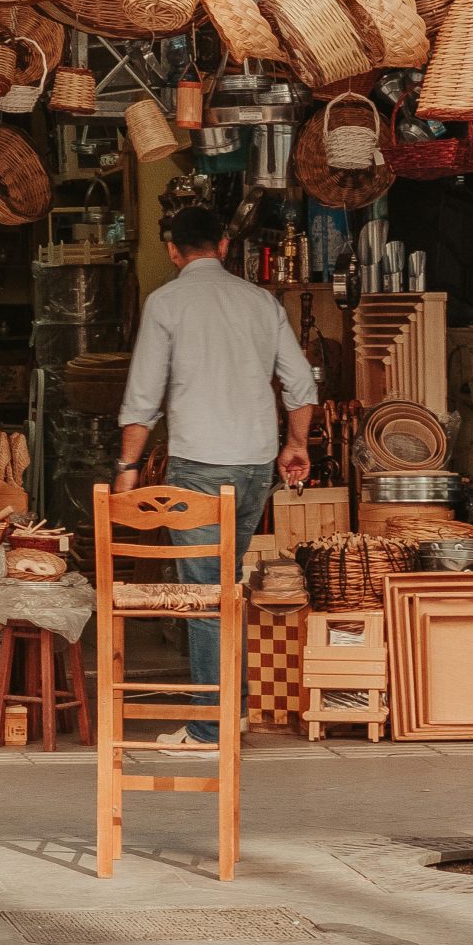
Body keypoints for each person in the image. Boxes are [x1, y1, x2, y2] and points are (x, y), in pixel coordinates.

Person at [115, 205, 320, 746]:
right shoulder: (262, 303)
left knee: (205, 597)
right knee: (223, 589)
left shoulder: (166, 303)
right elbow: (301, 385)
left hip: (200, 469)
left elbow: (142, 400)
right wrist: (295, 445)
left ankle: (212, 724)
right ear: (225, 246)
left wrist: (127, 467)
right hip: (256, 466)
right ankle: (237, 708)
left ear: (173, 250)